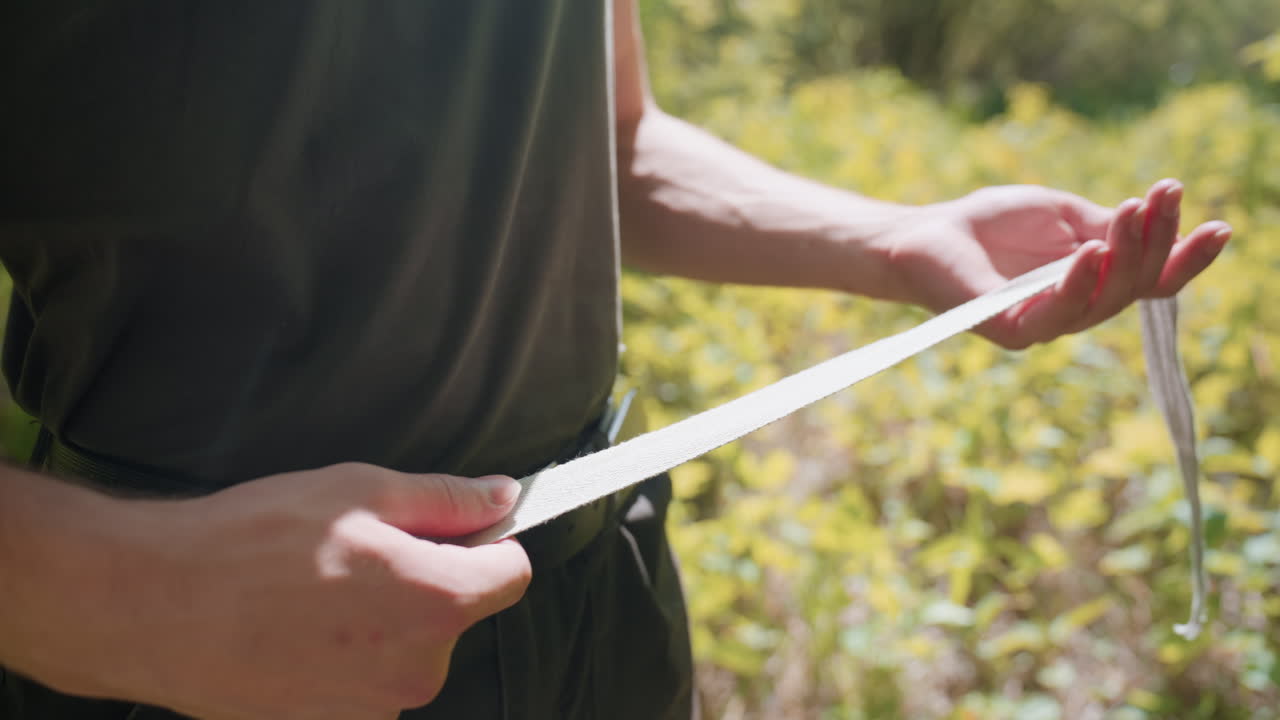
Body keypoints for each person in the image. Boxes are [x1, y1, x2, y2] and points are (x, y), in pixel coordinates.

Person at [0, 1, 1231, 718]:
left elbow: (613, 142)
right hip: (194, 669)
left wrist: (892, 238)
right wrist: (133, 597)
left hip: (602, 606)